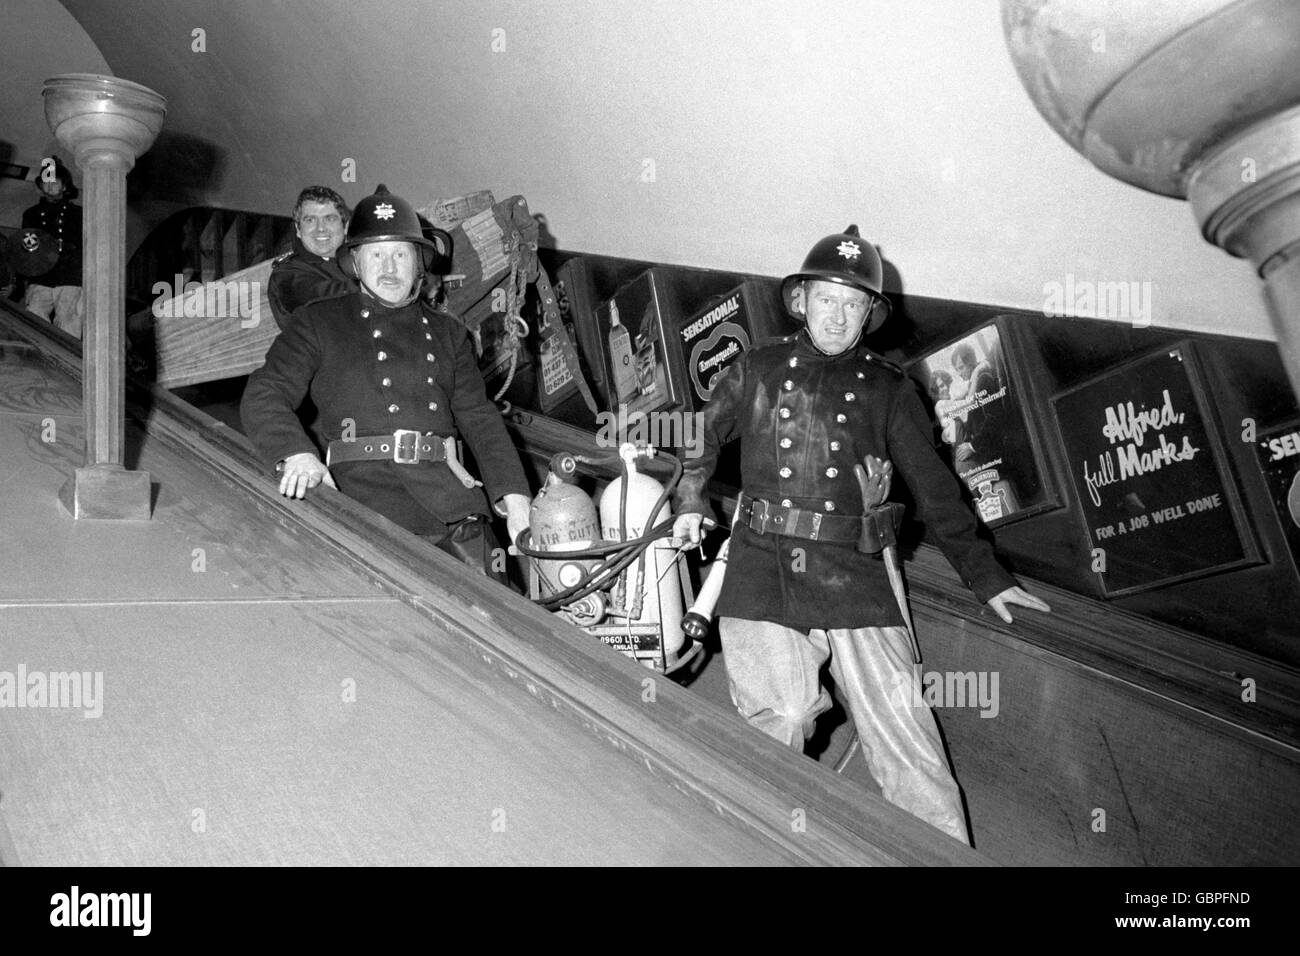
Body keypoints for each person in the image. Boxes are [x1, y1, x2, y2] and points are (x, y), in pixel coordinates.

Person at [670, 225, 1049, 844]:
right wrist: (690, 497)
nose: (838, 315)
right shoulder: (758, 368)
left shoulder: (890, 390)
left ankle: (943, 857)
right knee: (783, 712)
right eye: (827, 298)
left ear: (870, 313)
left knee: (906, 729)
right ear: (801, 301)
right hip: (764, 562)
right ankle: (754, 844)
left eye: (853, 304)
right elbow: (699, 436)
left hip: (858, 568)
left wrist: (988, 578)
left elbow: (938, 491)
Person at [241, 185, 531, 578]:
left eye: (401, 254)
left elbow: (480, 419)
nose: (390, 267)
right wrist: (297, 454)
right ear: (356, 264)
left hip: (452, 506)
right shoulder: (319, 322)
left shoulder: (448, 332)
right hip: (360, 501)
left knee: (503, 609)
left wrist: (515, 498)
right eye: (376, 254)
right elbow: (264, 392)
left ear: (419, 264)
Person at [266, 186, 355, 327]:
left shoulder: (356, 261)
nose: (320, 228)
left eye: (330, 219)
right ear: (298, 230)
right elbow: (322, 301)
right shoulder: (288, 274)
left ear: (345, 227)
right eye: (310, 220)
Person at [21, 157, 84, 337]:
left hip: (70, 275)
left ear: (65, 186)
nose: (50, 186)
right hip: (41, 275)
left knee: (69, 321)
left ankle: (68, 361)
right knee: (34, 315)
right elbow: (25, 247)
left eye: (55, 181)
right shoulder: (31, 214)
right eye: (46, 182)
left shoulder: (78, 214)